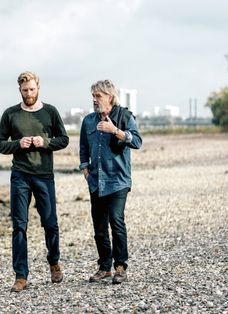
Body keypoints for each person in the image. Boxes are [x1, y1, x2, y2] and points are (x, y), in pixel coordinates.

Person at [0, 71, 69, 292]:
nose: (29, 93)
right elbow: (0, 144)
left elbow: (64, 139)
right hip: (20, 176)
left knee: (50, 223)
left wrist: (44, 141)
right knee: (19, 225)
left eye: (32, 89)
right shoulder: (10, 114)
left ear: (38, 88)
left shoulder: (50, 112)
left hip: (44, 175)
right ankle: (21, 276)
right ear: (20, 90)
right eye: (25, 90)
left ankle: (54, 262)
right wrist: (18, 144)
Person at [79, 79, 142, 284]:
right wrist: (85, 168)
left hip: (118, 180)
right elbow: (83, 148)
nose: (94, 100)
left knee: (116, 221)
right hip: (96, 181)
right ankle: (104, 267)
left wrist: (115, 130)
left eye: (98, 96)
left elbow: (137, 141)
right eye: (93, 96)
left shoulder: (124, 117)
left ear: (110, 98)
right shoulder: (88, 121)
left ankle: (121, 267)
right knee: (99, 227)